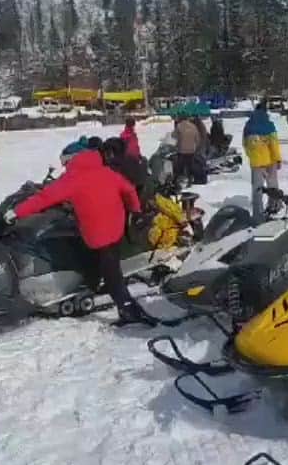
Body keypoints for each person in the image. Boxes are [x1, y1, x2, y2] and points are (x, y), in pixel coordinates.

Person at [12, 148, 155, 326]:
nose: (64, 166)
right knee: (102, 258)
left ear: (72, 161)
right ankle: (95, 283)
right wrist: (135, 210)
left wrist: (16, 213)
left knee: (112, 275)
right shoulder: (106, 171)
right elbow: (128, 189)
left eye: (65, 162)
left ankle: (128, 309)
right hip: (116, 227)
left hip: (97, 232)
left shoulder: (72, 179)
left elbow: (43, 198)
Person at [244, 103, 283, 223]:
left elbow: (245, 144)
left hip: (256, 163)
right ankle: (274, 207)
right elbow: (274, 145)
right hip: (270, 161)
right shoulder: (269, 125)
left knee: (257, 189)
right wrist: (278, 159)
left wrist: (252, 156)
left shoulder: (248, 126)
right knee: (272, 186)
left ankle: (257, 215)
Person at [174, 115, 200, 183]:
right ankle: (190, 179)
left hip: (181, 150)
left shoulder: (179, 126)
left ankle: (179, 179)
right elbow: (197, 139)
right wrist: (196, 147)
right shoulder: (193, 126)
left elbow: (174, 136)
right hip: (191, 150)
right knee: (190, 165)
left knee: (180, 166)